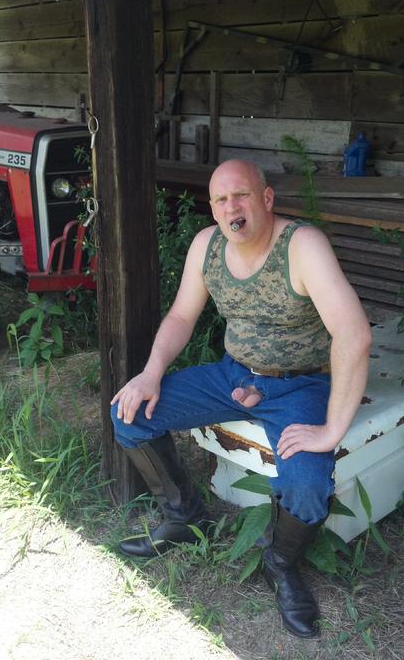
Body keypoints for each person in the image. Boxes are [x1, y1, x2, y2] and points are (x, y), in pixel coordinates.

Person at [110, 159, 371, 638]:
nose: (232, 208)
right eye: (221, 200)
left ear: (266, 198)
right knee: (129, 415)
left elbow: (352, 334)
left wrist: (332, 429)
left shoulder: (302, 246)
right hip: (232, 375)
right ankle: (185, 519)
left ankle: (280, 563)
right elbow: (181, 317)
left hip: (299, 386)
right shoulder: (207, 246)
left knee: (307, 486)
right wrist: (150, 373)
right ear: (212, 209)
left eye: (242, 195)